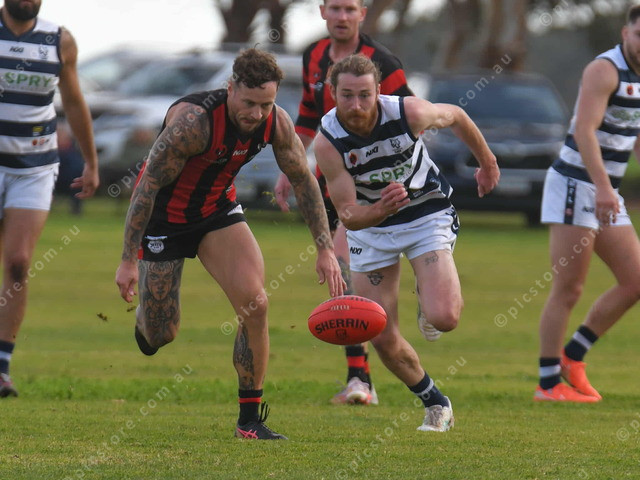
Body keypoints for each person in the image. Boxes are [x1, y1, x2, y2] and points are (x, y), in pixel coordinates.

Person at [115, 49, 344, 440]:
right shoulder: (193, 123)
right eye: (249, 102)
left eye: (265, 104)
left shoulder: (276, 122)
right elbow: (147, 187)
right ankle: (146, 320)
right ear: (230, 88)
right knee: (161, 334)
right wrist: (128, 261)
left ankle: (249, 421)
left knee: (256, 305)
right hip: (164, 219)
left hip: (216, 212)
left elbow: (304, 182)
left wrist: (324, 249)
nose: (256, 113)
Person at [314, 54, 499, 431]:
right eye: (347, 96)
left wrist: (487, 162)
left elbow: (457, 116)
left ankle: (427, 299)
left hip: (424, 213)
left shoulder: (408, 113)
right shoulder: (328, 142)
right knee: (379, 334)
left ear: (378, 91)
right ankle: (436, 404)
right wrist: (380, 208)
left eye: (364, 95)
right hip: (371, 227)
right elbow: (348, 214)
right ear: (333, 93)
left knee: (444, 317)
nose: (356, 105)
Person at [273, 0, 423, 407]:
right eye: (335, 8)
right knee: (342, 271)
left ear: (362, 14)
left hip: (383, 189)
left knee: (358, 270)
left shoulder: (383, 62)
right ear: (322, 11)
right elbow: (308, 116)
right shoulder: (313, 55)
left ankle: (427, 299)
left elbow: (412, 120)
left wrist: (401, 178)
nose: (342, 17)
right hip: (337, 188)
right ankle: (360, 378)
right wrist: (291, 168)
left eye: (350, 9)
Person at [535, 5, 640, 403]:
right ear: (625, 33)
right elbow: (584, 130)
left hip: (603, 189)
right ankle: (548, 384)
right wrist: (603, 188)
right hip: (576, 185)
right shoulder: (604, 70)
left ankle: (573, 355)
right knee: (569, 287)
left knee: (635, 281)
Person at [0, 0, 99, 398]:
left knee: (18, 263)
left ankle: (1, 369)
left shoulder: (59, 40)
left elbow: (73, 101)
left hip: (34, 167)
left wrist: (90, 162)